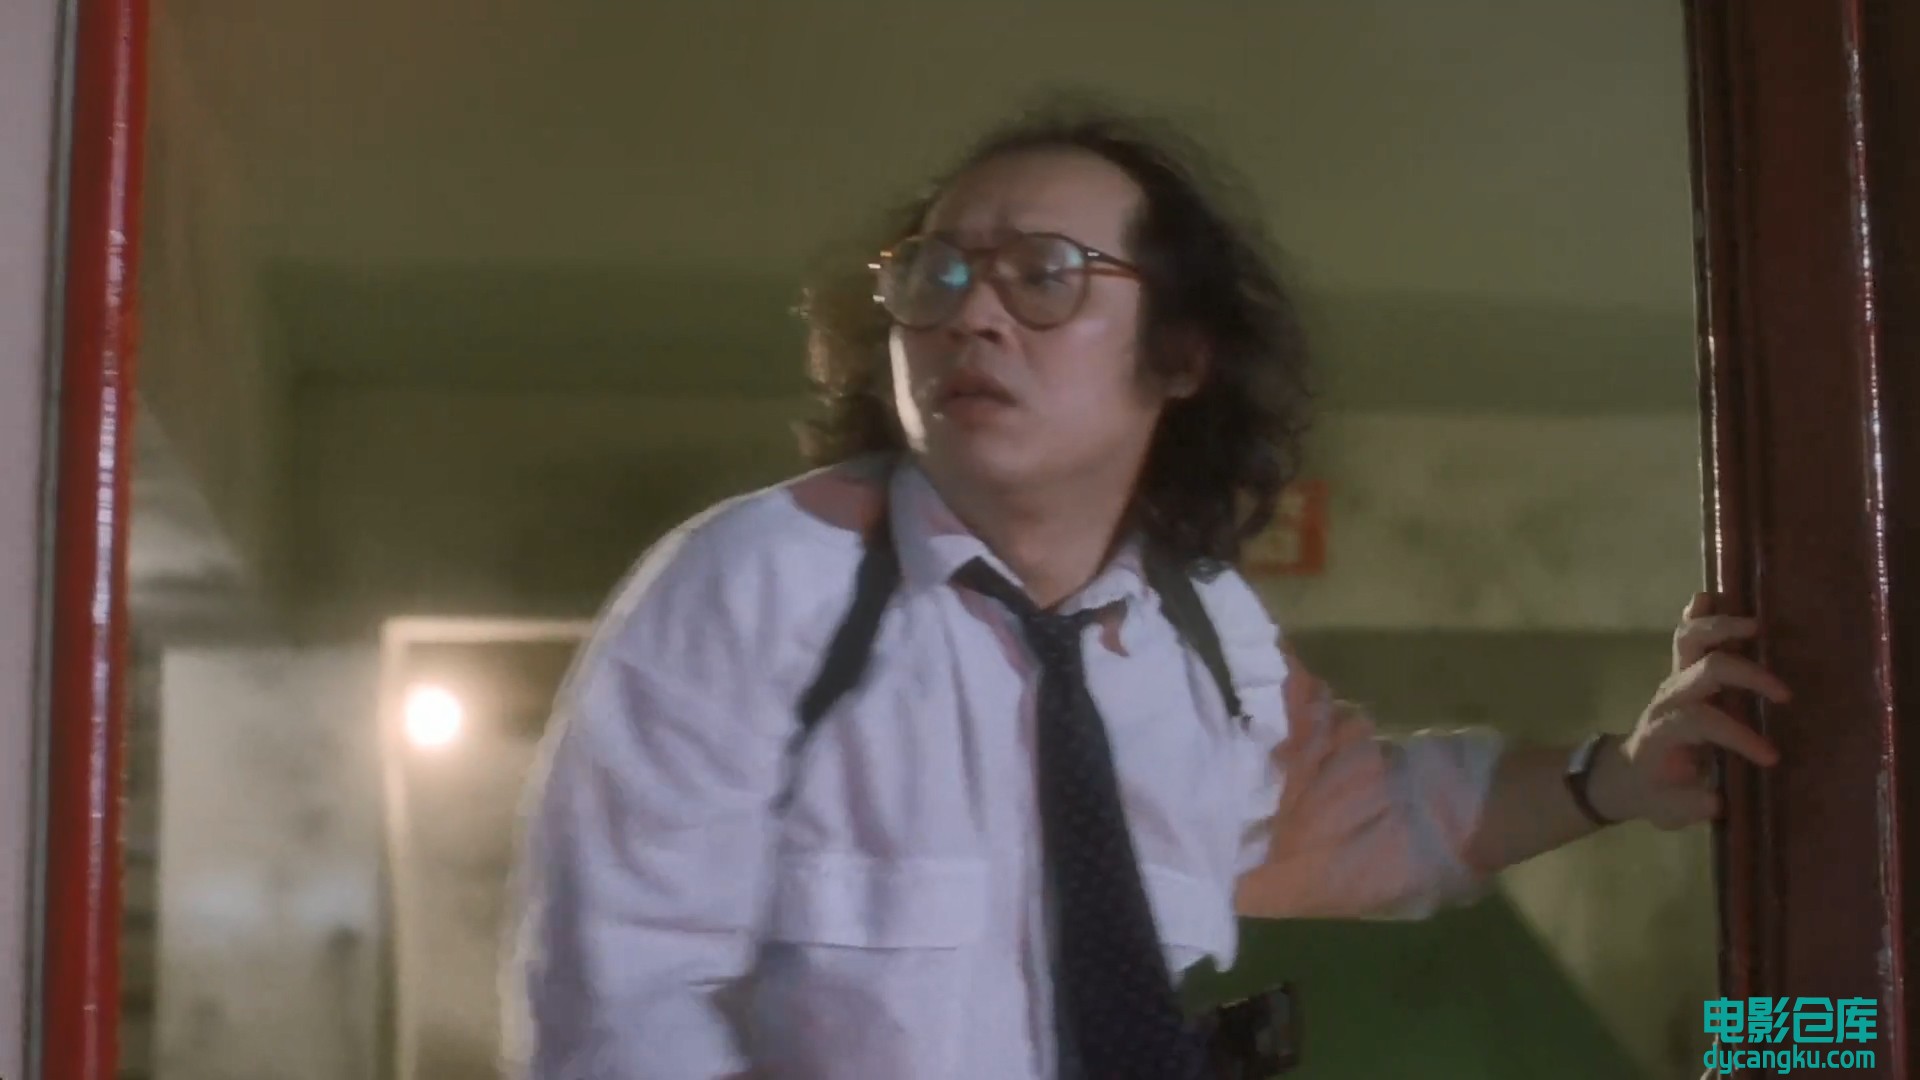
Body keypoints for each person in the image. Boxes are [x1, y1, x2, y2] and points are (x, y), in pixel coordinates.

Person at [503, 102, 1790, 1080]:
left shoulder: (1197, 626)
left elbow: (1364, 822)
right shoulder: (761, 587)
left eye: (1043, 276)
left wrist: (1619, 779)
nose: (971, 318)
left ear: (1179, 354)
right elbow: (614, 1013)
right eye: (935, 275)